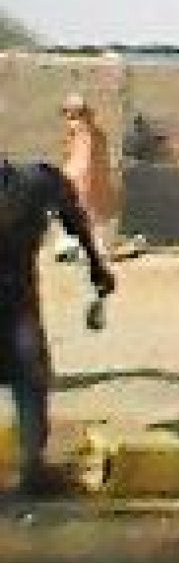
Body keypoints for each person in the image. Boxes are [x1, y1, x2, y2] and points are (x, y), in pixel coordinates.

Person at [0, 158, 115, 493]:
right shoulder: (38, 183)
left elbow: (75, 218)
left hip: (18, 298)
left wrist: (96, 267)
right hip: (19, 299)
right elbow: (74, 218)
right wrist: (96, 268)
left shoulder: (37, 183)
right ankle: (32, 464)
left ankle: (33, 466)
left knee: (31, 372)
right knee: (30, 373)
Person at [56, 93, 118, 261]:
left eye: (71, 114)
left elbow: (84, 162)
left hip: (85, 185)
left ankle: (83, 248)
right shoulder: (88, 133)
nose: (68, 119)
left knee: (91, 215)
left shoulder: (86, 133)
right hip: (86, 186)